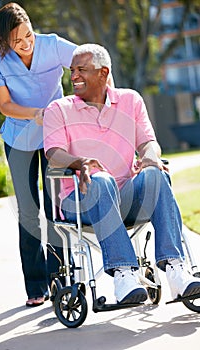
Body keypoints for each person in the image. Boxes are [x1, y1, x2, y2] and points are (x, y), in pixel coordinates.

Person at [43, 43, 200, 305]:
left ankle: (175, 268)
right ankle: (124, 274)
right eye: (72, 71)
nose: (74, 76)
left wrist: (150, 157)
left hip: (125, 197)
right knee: (100, 180)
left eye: (82, 70)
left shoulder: (131, 100)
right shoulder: (58, 110)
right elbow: (53, 153)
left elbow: (148, 142)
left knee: (156, 174)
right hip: (79, 202)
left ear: (103, 73)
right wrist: (80, 162)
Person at [0, 2, 77, 307]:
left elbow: (89, 61)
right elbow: (5, 105)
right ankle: (37, 285)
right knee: (28, 213)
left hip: (53, 136)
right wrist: (36, 113)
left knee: (56, 208)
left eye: (28, 36)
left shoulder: (53, 45)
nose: (25, 44)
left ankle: (60, 277)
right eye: (16, 41)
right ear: (4, 42)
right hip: (19, 137)